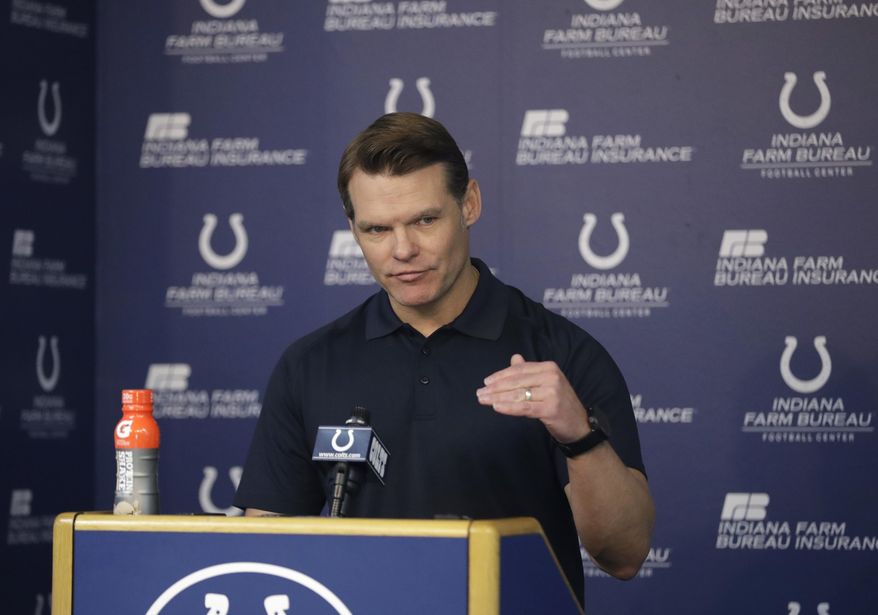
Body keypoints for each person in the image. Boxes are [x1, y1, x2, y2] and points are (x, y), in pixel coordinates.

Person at [234, 112, 655, 604]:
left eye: (425, 220)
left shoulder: (561, 354)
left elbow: (624, 554)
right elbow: (266, 550)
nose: (403, 250)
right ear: (353, 229)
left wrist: (579, 436)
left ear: (469, 204)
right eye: (377, 229)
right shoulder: (310, 365)